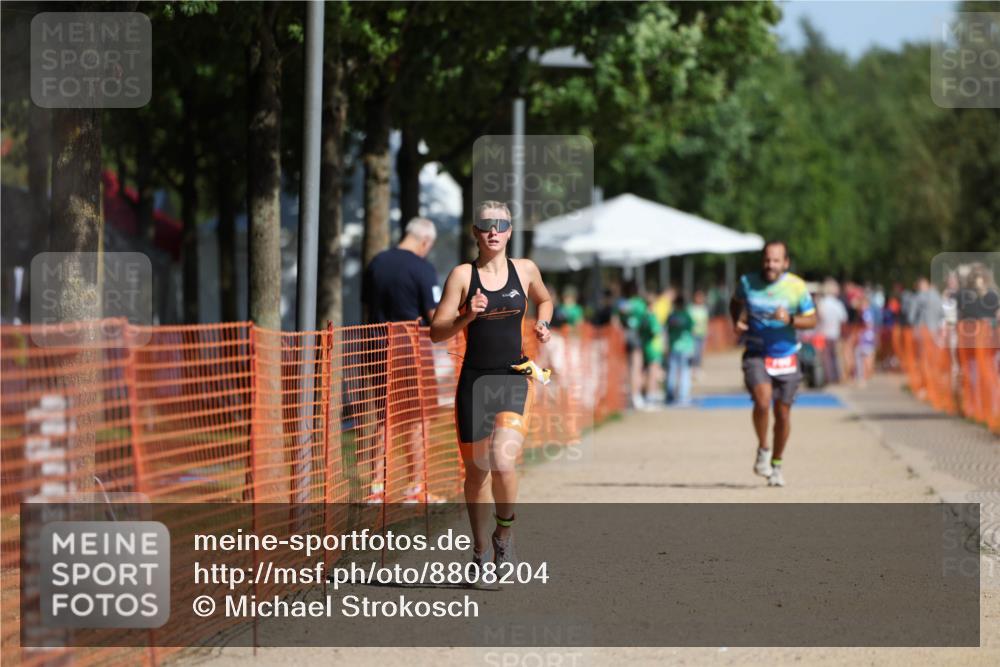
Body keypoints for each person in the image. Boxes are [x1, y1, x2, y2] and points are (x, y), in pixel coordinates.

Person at [430, 200, 553, 574]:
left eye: (501, 224)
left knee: (502, 459)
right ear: (476, 232)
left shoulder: (525, 269)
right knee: (477, 473)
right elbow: (437, 331)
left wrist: (544, 323)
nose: (494, 230)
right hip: (474, 381)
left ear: (511, 230)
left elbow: (544, 299)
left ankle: (504, 535)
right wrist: (468, 315)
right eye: (486, 225)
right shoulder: (462, 276)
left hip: (513, 375)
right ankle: (480, 551)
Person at [360, 217, 443, 504]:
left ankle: (376, 487)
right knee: (417, 418)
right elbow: (435, 317)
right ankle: (415, 486)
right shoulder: (423, 268)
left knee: (385, 417)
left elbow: (367, 307)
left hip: (376, 346)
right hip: (411, 349)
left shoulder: (376, 263)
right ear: (425, 241)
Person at [729, 241, 817, 487]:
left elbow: (812, 320)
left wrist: (789, 319)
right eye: (767, 260)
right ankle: (763, 448)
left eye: (776, 260)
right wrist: (737, 321)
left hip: (787, 355)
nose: (771, 265)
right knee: (763, 400)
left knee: (783, 413)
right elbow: (735, 303)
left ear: (785, 263)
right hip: (756, 352)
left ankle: (777, 464)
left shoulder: (796, 287)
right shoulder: (747, 282)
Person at [816, 278, 848, 384]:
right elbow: (843, 319)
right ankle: (836, 377)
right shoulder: (838, 304)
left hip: (823, 333)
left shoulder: (822, 303)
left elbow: (818, 318)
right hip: (835, 334)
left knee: (825, 358)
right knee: (835, 357)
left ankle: (828, 377)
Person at [666, 294, 696, 405]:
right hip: (686, 348)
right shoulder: (687, 315)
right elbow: (692, 331)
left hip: (673, 347)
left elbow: (667, 331)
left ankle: (670, 396)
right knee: (685, 372)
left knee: (672, 372)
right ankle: (683, 397)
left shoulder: (671, 316)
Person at [688, 290, 710, 379]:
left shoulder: (704, 309)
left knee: (700, 353)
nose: (699, 299)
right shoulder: (691, 308)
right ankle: (691, 369)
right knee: (694, 352)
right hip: (693, 335)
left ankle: (697, 369)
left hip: (702, 334)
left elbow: (706, 322)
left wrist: (706, 332)